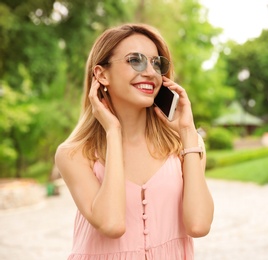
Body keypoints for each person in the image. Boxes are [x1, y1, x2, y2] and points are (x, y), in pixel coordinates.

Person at [55, 23, 214, 259]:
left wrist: (188, 131)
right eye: (135, 60)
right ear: (101, 74)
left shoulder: (185, 147)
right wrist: (113, 132)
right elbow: (112, 224)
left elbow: (198, 226)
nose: (150, 72)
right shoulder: (74, 154)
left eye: (157, 63)